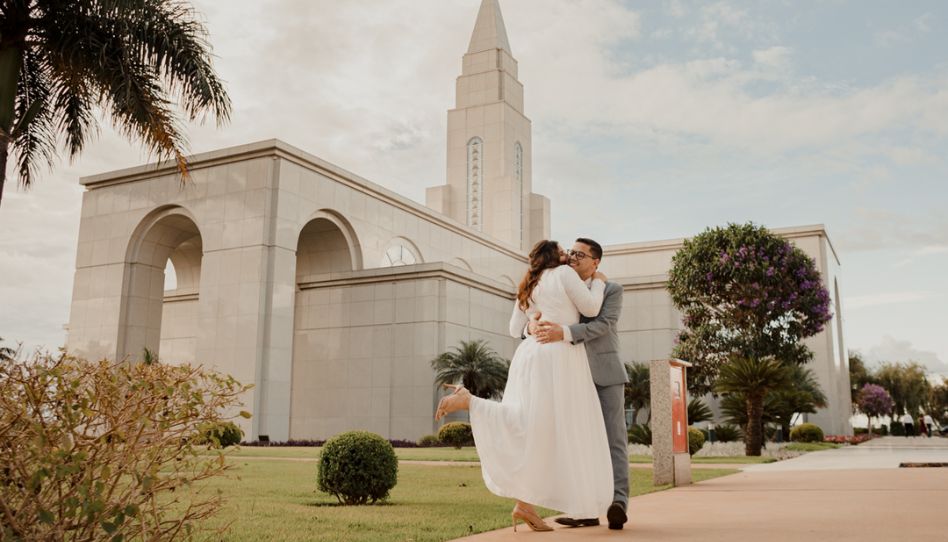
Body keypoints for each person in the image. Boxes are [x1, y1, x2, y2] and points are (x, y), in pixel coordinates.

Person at [435, 240, 613, 532]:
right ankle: (471, 402)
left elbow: (513, 329)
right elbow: (592, 308)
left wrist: (531, 324)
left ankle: (525, 505)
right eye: (563, 250)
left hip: (529, 357)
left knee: (532, 427)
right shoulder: (565, 274)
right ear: (553, 255)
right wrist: (598, 282)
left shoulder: (530, 282)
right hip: (559, 357)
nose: (567, 254)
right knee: (557, 428)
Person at [530, 238, 629, 530]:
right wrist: (532, 324)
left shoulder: (611, 289)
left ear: (595, 262)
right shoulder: (561, 283)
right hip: (571, 377)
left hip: (605, 376)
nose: (572, 257)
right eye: (571, 252)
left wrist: (565, 333)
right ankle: (584, 509)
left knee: (613, 441)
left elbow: (603, 325)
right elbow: (533, 312)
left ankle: (618, 504)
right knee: (578, 441)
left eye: (580, 254)